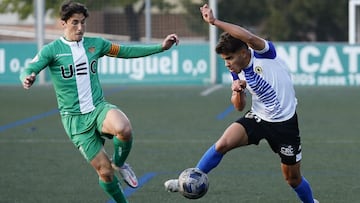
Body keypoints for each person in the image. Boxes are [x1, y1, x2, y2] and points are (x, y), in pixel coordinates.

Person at [20, 1, 178, 203]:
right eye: (74, 23)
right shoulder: (51, 50)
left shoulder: (96, 44)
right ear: (63, 23)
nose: (80, 28)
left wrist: (161, 47)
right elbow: (30, 68)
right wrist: (28, 77)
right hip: (75, 122)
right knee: (105, 174)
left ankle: (119, 164)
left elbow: (125, 51)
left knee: (124, 128)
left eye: (83, 23)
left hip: (98, 108)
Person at [164, 4, 318, 203]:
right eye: (224, 59)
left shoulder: (264, 53)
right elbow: (239, 106)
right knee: (222, 144)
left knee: (292, 179)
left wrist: (214, 22)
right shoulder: (236, 71)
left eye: (229, 58)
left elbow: (249, 37)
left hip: (285, 125)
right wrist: (238, 92)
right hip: (258, 117)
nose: (227, 63)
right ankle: (189, 180)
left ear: (244, 52)